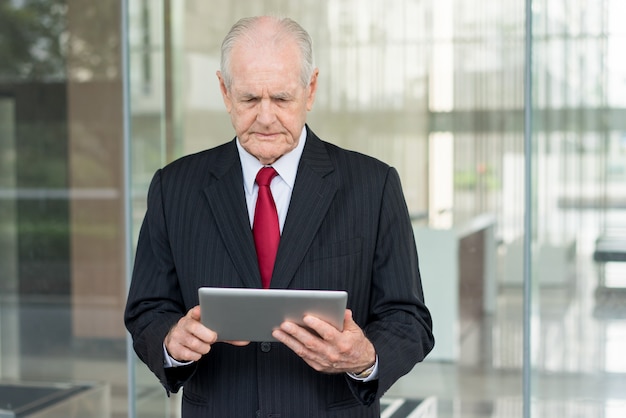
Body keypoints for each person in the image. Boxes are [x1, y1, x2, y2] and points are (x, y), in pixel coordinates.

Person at [124, 15, 434, 418]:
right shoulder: (174, 187)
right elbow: (147, 309)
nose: (266, 117)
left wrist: (364, 357)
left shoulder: (373, 186)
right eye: (250, 99)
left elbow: (409, 318)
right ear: (224, 91)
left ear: (311, 89)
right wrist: (171, 343)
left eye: (282, 99)